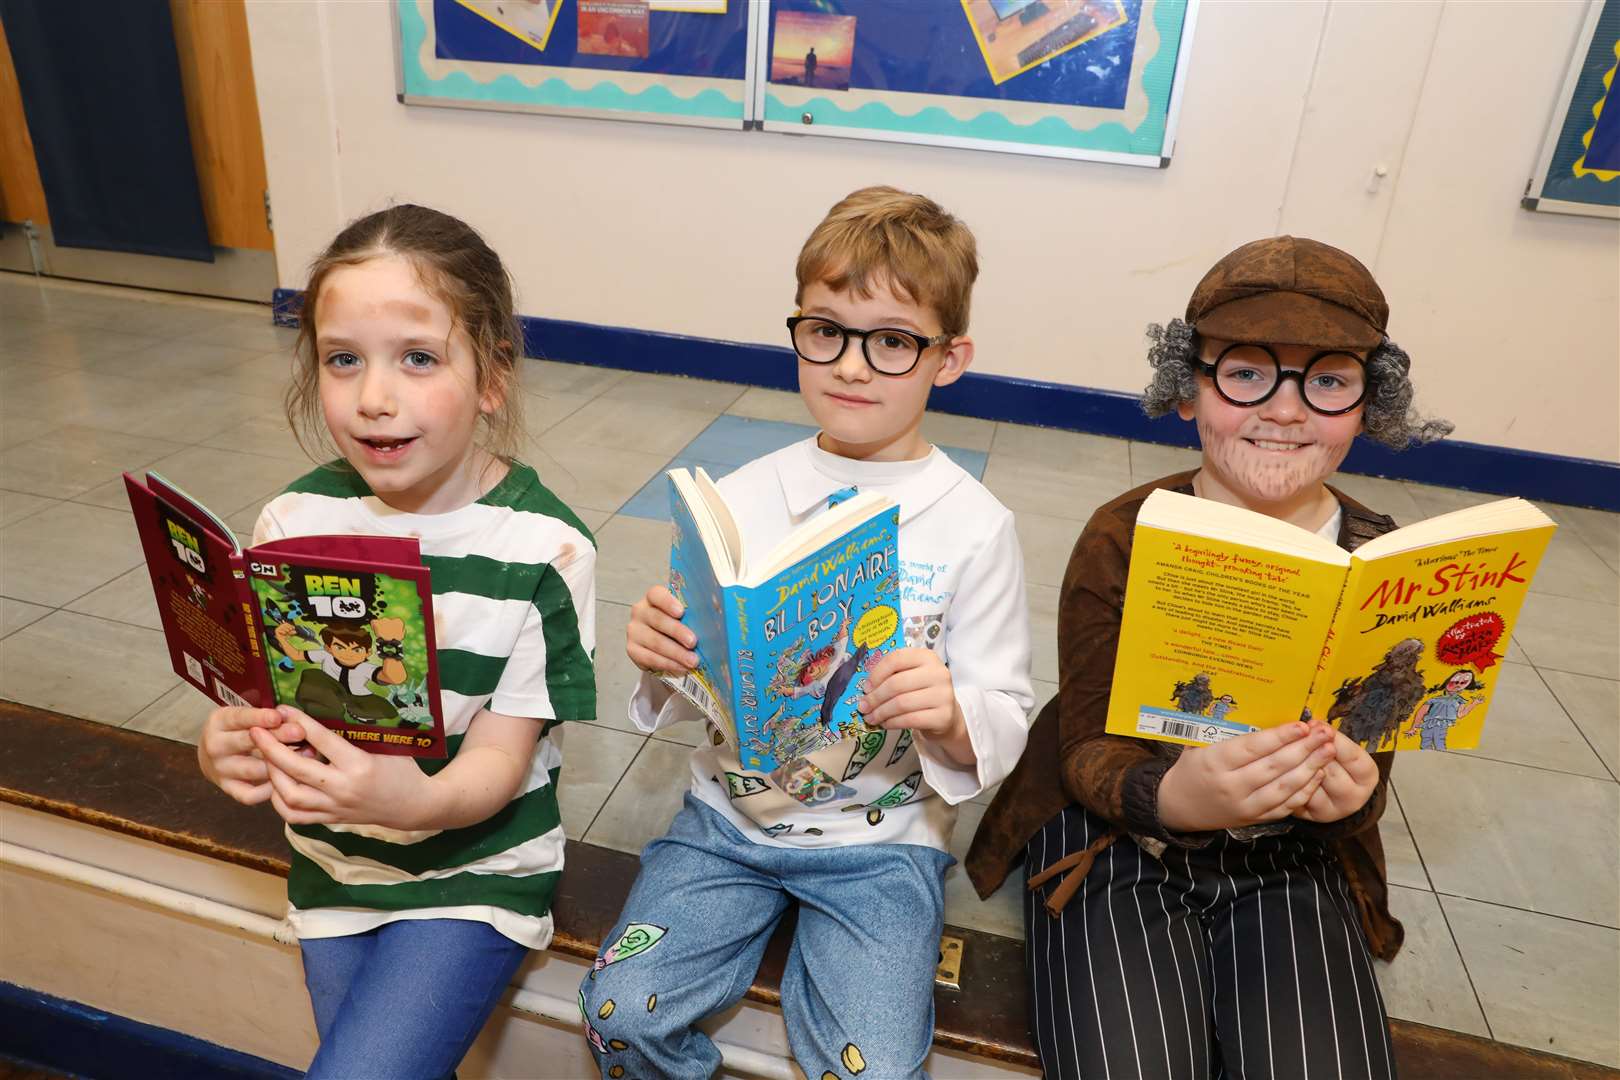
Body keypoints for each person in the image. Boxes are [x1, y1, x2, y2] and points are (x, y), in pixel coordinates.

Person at [967, 236, 1452, 1080]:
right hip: (1119, 832)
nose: (1286, 409)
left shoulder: (1384, 557)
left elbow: (1372, 750)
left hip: (1292, 853)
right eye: (1246, 372)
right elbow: (1083, 744)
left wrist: (1352, 798)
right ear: (1189, 388)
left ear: (1369, 406)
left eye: (1328, 380)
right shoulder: (1122, 535)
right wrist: (1173, 794)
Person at [579, 186, 1034, 1078]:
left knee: (876, 1067)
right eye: (824, 330)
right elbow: (695, 691)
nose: (851, 367)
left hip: (881, 847)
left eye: (892, 341)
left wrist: (948, 711)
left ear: (949, 358)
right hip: (725, 823)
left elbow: (1008, 709)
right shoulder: (742, 495)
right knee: (618, 1011)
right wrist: (664, 656)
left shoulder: (975, 525)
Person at [195, 204, 596, 1079]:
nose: (375, 397)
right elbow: (275, 707)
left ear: (492, 376)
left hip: (475, 870)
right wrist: (231, 744)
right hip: (334, 867)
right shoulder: (292, 522)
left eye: (418, 358)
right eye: (344, 360)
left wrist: (407, 802)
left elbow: (497, 767)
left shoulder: (546, 550)